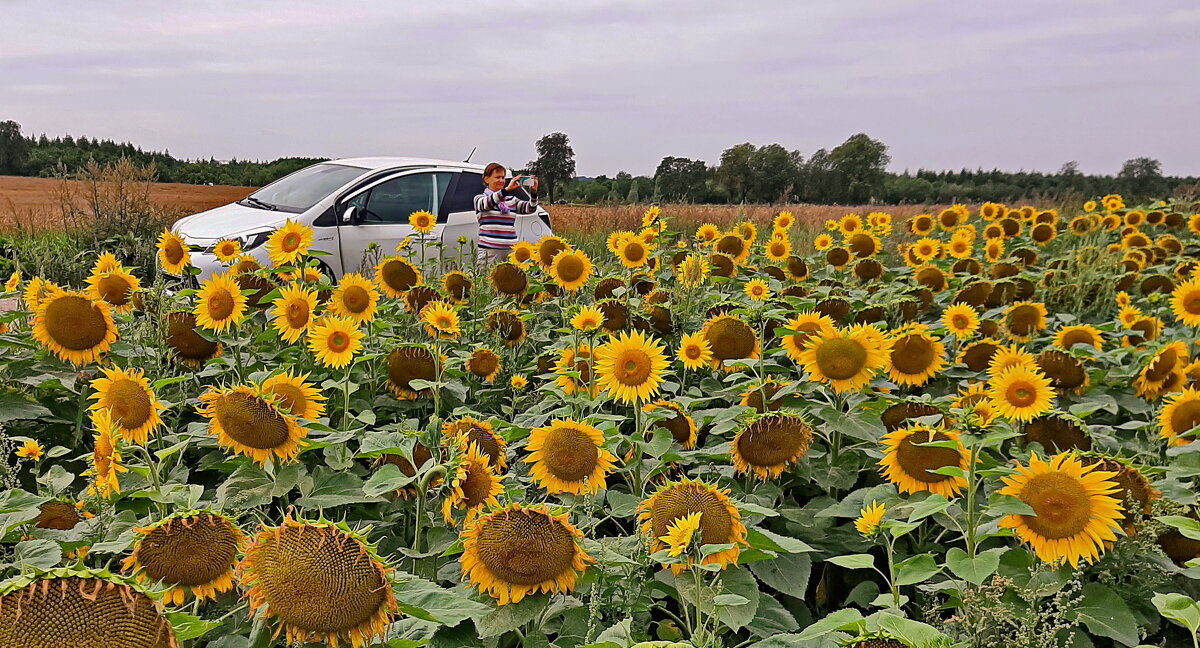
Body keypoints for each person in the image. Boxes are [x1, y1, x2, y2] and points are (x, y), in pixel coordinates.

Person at [474, 162, 539, 265]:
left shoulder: (511, 200)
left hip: (511, 251)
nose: (501, 181)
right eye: (497, 177)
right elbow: (488, 203)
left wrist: (534, 193)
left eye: (503, 178)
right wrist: (507, 189)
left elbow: (531, 208)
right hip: (489, 251)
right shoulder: (480, 198)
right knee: (487, 279)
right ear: (486, 179)